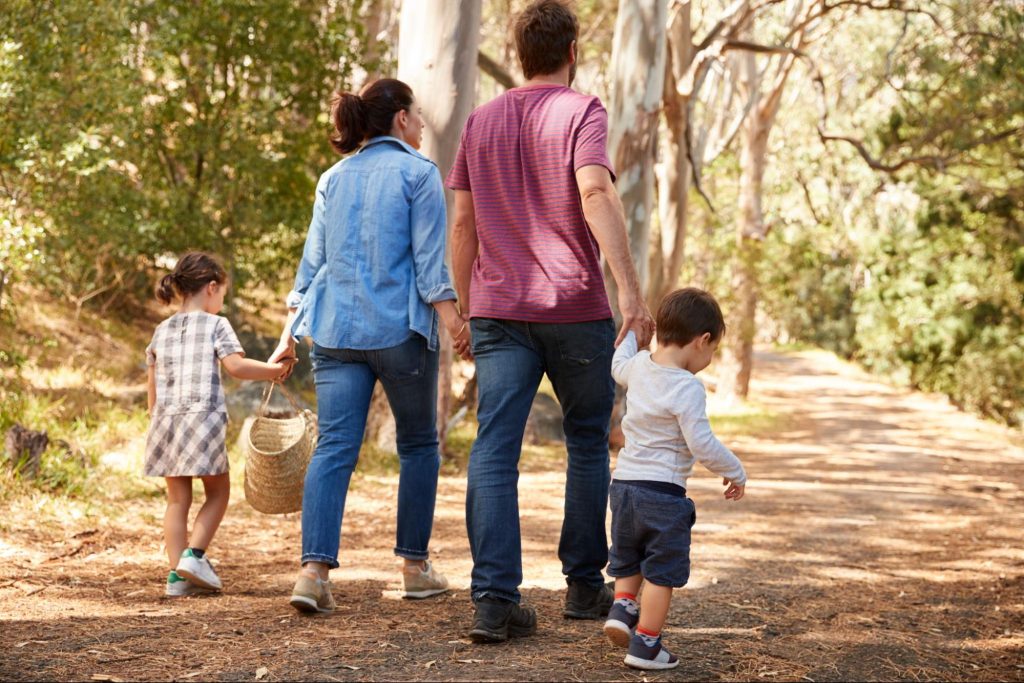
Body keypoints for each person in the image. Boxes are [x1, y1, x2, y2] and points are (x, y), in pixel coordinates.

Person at [446, 0, 655, 642]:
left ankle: (492, 601)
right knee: (588, 441)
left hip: (499, 313)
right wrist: (631, 292)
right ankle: (584, 589)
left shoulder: (480, 121)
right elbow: (595, 191)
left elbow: (462, 223)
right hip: (574, 308)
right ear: (571, 53)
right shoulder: (582, 110)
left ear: (518, 56)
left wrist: (461, 309)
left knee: (494, 448)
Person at [269, 78, 471, 614]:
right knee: (419, 446)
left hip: (334, 333)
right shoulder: (419, 172)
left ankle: (312, 574)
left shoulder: (332, 178)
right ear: (400, 120)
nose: (424, 125)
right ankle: (413, 568)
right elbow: (430, 264)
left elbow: (311, 266)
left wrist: (287, 336)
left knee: (335, 448)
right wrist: (454, 322)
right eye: (418, 115)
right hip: (399, 334)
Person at [603, 288, 748, 670]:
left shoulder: (637, 366)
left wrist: (632, 333)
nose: (709, 358)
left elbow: (618, 365)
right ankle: (646, 645)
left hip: (623, 487)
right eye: (712, 350)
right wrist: (735, 469)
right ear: (702, 340)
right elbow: (701, 443)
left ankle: (622, 608)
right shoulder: (687, 387)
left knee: (628, 555)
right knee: (661, 572)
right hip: (662, 494)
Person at [146, 252, 291, 597]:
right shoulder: (216, 324)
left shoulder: (161, 330)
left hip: (165, 422)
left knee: (177, 500)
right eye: (222, 292)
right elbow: (237, 368)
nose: (222, 299)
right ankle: (194, 556)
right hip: (202, 418)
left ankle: (176, 578)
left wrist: (156, 420)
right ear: (211, 287)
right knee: (218, 492)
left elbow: (152, 387)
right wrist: (275, 371)